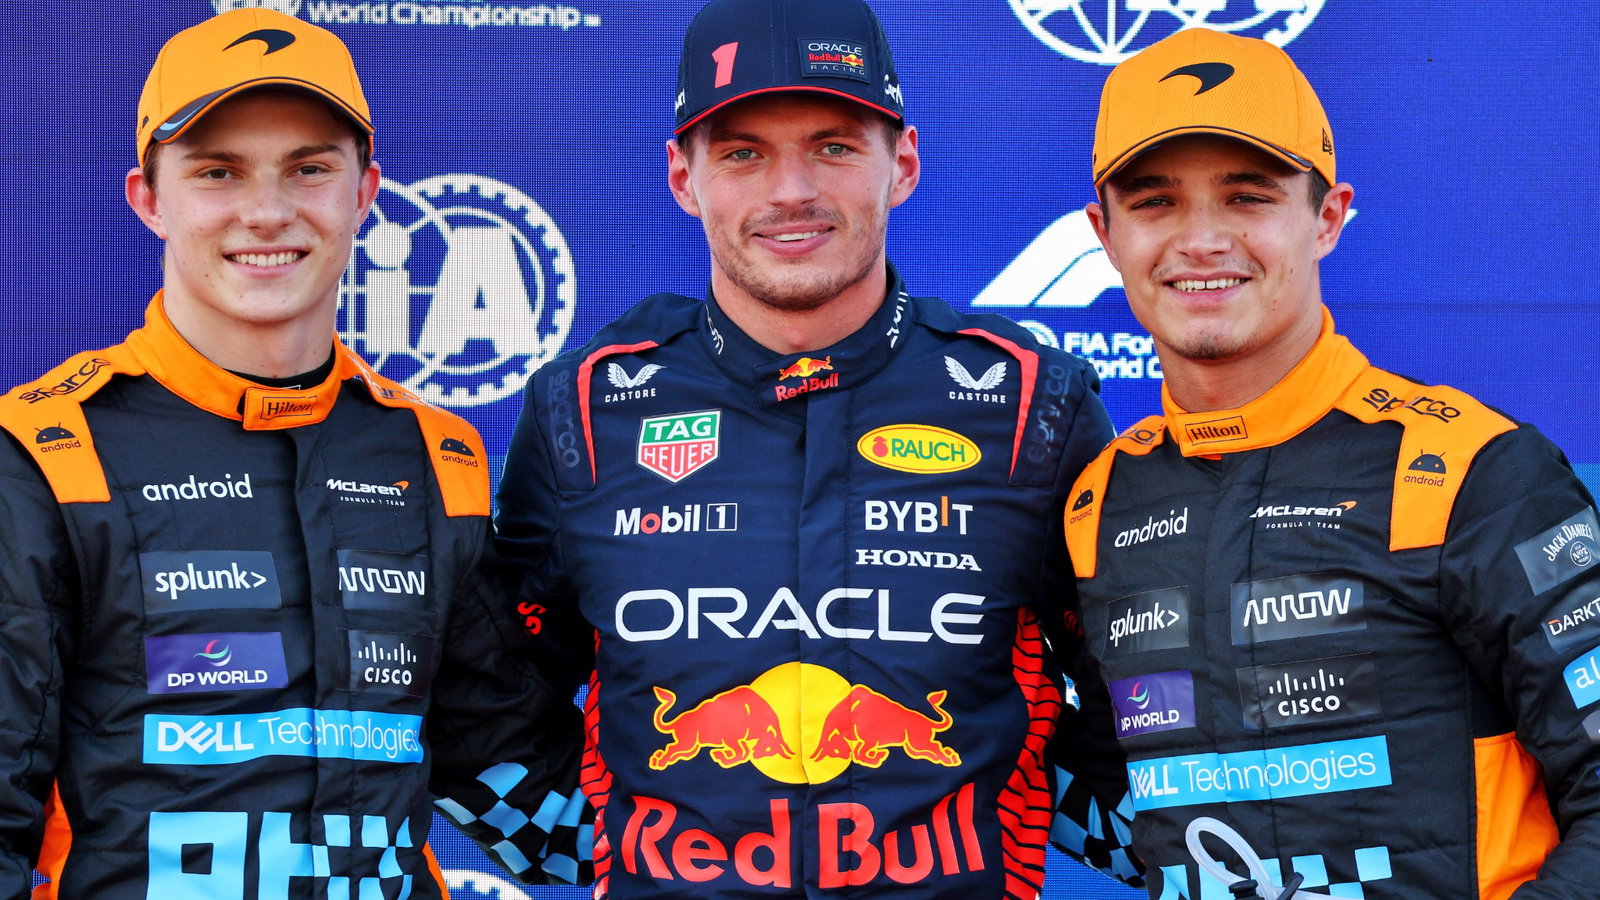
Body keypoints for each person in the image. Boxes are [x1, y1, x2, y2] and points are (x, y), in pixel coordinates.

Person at [494, 0, 1143, 895]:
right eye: (742, 153)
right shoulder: (585, 409)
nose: (791, 190)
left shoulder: (1034, 403)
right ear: (683, 177)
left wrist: (1013, 804)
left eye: (834, 147)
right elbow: (488, 697)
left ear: (902, 164)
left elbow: (1146, 711)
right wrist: (623, 846)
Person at [0, 9, 589, 897]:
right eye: (218, 172)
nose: (268, 212)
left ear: (363, 193)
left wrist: (738, 822)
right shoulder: (46, 452)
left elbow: (519, 796)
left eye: (309, 169)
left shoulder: (434, 456)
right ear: (149, 200)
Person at [1067, 27, 1600, 899]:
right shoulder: (1100, 499)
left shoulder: (1470, 469)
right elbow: (1103, 797)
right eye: (1155, 202)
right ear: (1105, 233)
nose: (1201, 240)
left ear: (1328, 218)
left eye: (1247, 197)